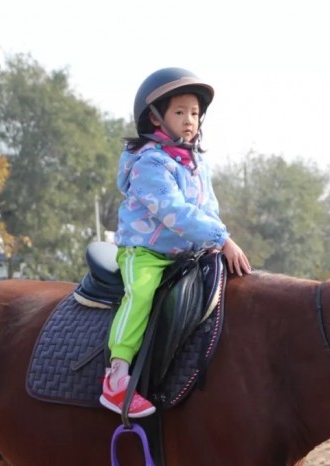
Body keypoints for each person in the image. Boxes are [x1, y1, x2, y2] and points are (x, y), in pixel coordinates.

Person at [99, 67, 252, 417]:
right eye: (179, 112)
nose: (189, 120)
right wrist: (221, 238)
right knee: (141, 293)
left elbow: (208, 207)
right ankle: (117, 375)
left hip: (187, 254)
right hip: (147, 253)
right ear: (155, 118)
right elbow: (175, 212)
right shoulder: (148, 164)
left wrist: (216, 240)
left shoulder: (198, 164)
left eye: (194, 113)